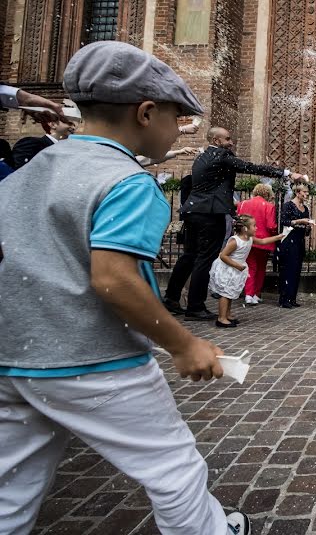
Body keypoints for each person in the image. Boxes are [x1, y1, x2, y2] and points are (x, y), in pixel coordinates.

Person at [0, 41, 251, 534]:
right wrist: (183, 344)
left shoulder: (22, 178)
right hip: (96, 361)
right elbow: (113, 278)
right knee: (173, 469)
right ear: (145, 112)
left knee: (10, 484)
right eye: (177, 118)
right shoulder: (129, 183)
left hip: (13, 358)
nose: (180, 130)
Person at [162, 126, 306, 320]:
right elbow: (251, 167)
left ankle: (171, 298)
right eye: (228, 139)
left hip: (192, 211)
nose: (231, 142)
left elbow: (191, 183)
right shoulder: (221, 156)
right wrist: (287, 173)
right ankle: (195, 306)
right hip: (210, 214)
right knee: (204, 259)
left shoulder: (201, 158)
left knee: (189, 256)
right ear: (216, 140)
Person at [209, 214, 285, 327]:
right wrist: (237, 266)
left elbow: (263, 241)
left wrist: (278, 237)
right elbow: (223, 256)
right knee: (225, 294)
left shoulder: (250, 239)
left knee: (230, 293)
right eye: (254, 226)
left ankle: (227, 314)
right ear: (245, 229)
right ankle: (221, 318)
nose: (256, 228)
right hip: (228, 268)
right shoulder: (235, 241)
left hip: (236, 269)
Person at [236, 183, 278, 305]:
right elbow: (271, 225)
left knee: (250, 266)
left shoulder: (242, 204)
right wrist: (275, 233)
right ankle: (254, 294)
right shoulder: (269, 206)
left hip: (246, 238)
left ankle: (248, 293)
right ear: (267, 193)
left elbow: (238, 221)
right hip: (263, 241)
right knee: (260, 268)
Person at [278, 183, 315, 309]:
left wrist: (308, 227)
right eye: (305, 192)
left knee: (297, 269)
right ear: (298, 192)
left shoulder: (305, 209)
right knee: (288, 269)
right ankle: (284, 299)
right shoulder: (288, 205)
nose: (307, 194)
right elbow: (283, 221)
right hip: (289, 239)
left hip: (299, 240)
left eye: (307, 193)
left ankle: (292, 297)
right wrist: (299, 221)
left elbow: (306, 231)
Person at [11, 118, 76, 168]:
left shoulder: (68, 151)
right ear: (53, 124)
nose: (73, 128)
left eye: (74, 125)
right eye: (69, 123)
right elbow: (19, 171)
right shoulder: (32, 143)